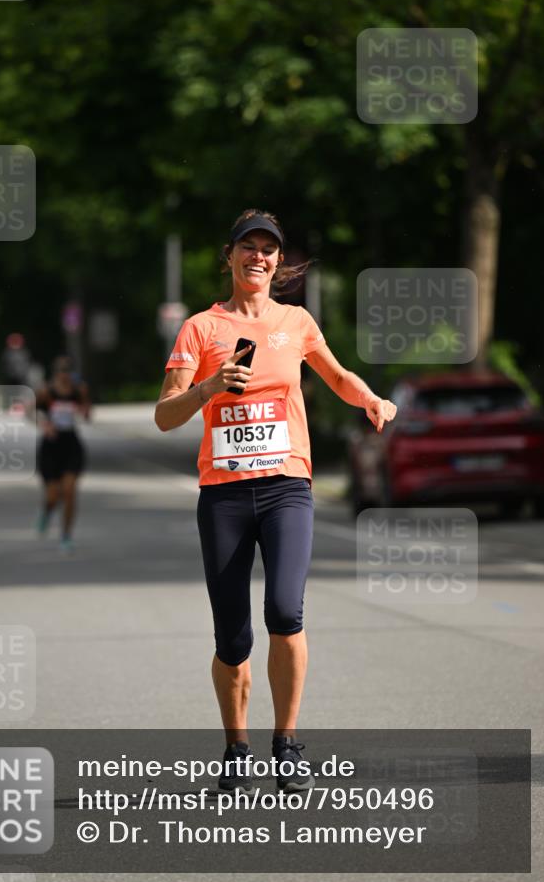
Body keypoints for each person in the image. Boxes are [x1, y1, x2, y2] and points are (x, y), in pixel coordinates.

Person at [155, 209, 397, 793]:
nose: (258, 257)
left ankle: (285, 746)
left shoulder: (297, 321)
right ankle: (236, 748)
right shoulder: (200, 329)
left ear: (278, 262)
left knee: (286, 612)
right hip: (225, 494)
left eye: (269, 249)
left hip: (288, 485)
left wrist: (371, 400)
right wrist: (210, 388)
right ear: (230, 256)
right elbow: (165, 414)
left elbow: (337, 376)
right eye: (248, 247)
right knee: (232, 637)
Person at [35, 356, 90, 551]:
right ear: (55, 373)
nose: (64, 375)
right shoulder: (46, 392)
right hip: (50, 446)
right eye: (61, 371)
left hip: (71, 444)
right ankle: (47, 512)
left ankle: (66, 535)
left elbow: (87, 414)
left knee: (69, 492)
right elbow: (30, 411)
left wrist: (85, 409)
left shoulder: (77, 391)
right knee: (53, 495)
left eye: (67, 371)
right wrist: (45, 424)